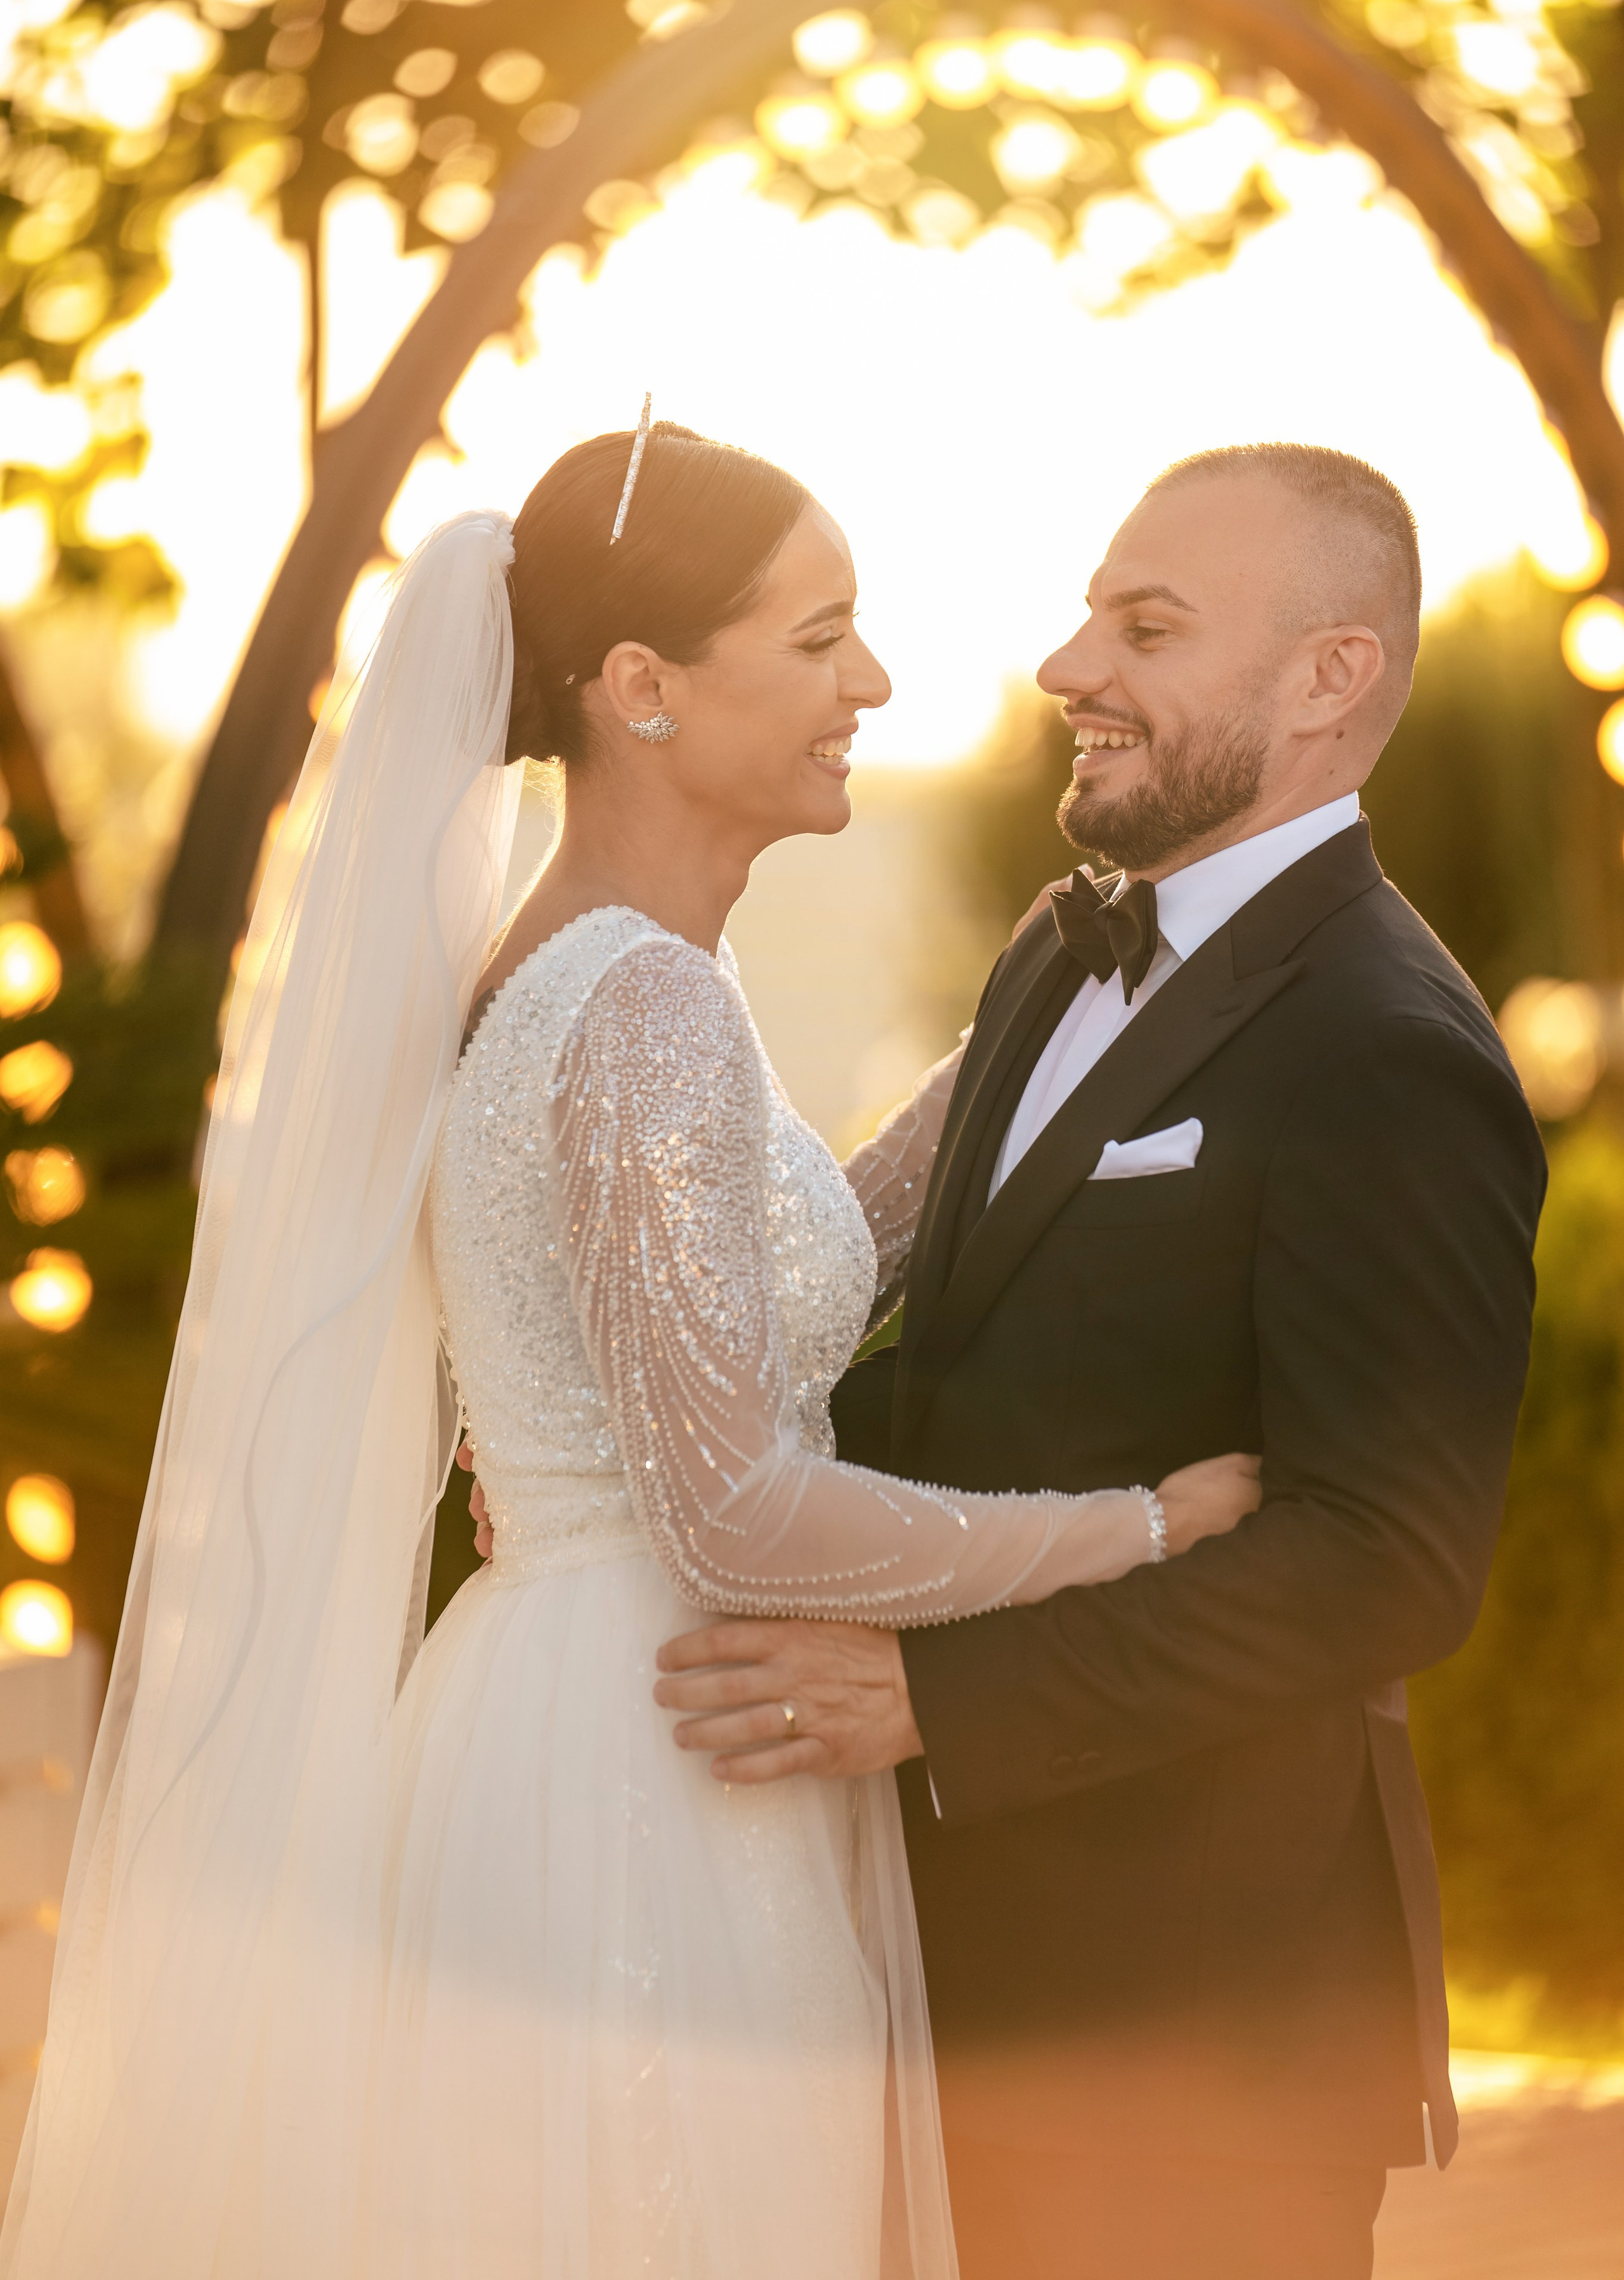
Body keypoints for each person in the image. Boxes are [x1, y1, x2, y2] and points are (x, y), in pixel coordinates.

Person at [1, 421, 1259, 2280]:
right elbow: (740, 1514)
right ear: (642, 688)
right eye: (822, 637)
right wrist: (1131, 1530)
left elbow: (789, 1267)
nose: (875, 683)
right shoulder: (647, 1003)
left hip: (575, 1711)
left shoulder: (595, 967)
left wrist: (1040, 1001)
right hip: (654, 1781)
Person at [653, 443, 1548, 2280]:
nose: (1071, 666)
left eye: (1146, 625)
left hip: (1196, 2039)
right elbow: (944, 1369)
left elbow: (1384, 1558)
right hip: (942, 1976)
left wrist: (937, 1701)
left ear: (1331, 680)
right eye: (1088, 614)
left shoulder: (1389, 1046)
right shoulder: (1059, 949)